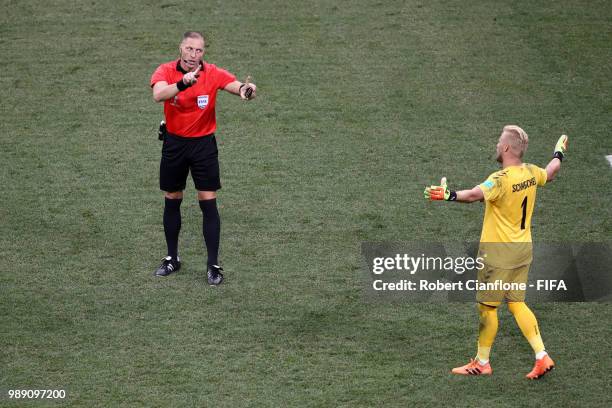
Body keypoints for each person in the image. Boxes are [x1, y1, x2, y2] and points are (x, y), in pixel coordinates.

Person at [424, 125, 568, 379]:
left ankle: (482, 362)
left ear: (506, 148)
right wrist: (558, 153)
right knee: (516, 303)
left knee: (487, 309)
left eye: (499, 142)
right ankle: (541, 356)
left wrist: (449, 195)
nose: (496, 146)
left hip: (498, 256)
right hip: (522, 251)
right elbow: (551, 172)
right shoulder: (531, 172)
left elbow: (473, 195)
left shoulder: (500, 180)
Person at [150, 31, 256, 285]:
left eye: (198, 51)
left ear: (203, 53)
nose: (193, 55)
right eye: (189, 49)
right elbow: (158, 95)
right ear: (180, 49)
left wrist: (246, 90)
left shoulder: (212, 72)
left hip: (203, 147)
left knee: (208, 202)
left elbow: (235, 85)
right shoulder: (164, 71)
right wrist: (183, 83)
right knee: (172, 199)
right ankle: (171, 258)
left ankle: (213, 265)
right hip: (174, 145)